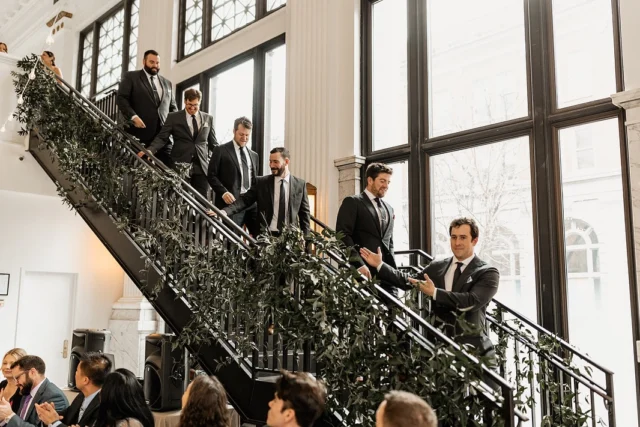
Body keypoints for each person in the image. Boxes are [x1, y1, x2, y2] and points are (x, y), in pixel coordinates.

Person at [360, 217, 499, 360]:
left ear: (474, 240)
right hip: (439, 351)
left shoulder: (487, 272)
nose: (457, 243)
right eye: (453, 237)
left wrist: (435, 293)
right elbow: (408, 281)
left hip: (475, 354)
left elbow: (471, 301)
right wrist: (380, 265)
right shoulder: (438, 266)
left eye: (463, 238)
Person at [335, 163, 400, 295]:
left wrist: (392, 270)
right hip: (363, 274)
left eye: (388, 182)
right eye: (382, 181)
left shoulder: (389, 208)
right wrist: (358, 265)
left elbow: (389, 242)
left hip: (387, 274)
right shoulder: (352, 202)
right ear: (370, 180)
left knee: (392, 313)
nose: (386, 186)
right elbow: (343, 235)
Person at [143, 88, 217, 197]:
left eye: (195, 105)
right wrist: (150, 150)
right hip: (180, 164)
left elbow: (213, 144)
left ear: (200, 102)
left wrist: (223, 159)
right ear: (185, 101)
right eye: (189, 104)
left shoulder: (208, 118)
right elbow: (162, 137)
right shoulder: (173, 117)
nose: (192, 108)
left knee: (202, 201)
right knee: (179, 199)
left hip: (201, 166)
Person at [221, 147, 310, 236]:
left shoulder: (300, 185)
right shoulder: (261, 182)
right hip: (265, 236)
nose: (271, 165)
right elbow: (244, 200)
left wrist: (307, 243)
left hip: (289, 238)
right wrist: (225, 211)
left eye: (275, 162)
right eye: (270, 161)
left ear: (286, 162)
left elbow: (304, 216)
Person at [117, 49, 178, 166]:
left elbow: (173, 108)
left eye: (157, 63)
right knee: (141, 170)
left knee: (169, 170)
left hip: (163, 138)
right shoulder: (131, 77)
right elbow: (121, 99)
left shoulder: (167, 83)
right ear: (144, 61)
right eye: (152, 62)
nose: (155, 65)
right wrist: (133, 117)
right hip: (140, 134)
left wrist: (172, 127)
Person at [207, 116, 259, 236]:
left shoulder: (254, 155)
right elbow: (211, 175)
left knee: (260, 239)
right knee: (232, 241)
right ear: (234, 131)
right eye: (241, 134)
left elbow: (255, 180)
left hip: (251, 204)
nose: (244, 138)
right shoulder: (220, 150)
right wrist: (223, 192)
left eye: (247, 135)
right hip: (231, 203)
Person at [35, 352, 112, 427]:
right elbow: (63, 418)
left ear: (85, 380)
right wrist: (48, 415)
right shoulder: (81, 396)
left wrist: (54, 422)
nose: (75, 374)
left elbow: (56, 423)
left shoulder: (104, 405)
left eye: (77, 371)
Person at [0, 355, 68, 427]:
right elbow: (20, 421)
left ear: (32, 372)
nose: (16, 383)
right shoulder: (26, 390)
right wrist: (4, 417)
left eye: (17, 378)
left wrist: (10, 416)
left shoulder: (54, 397)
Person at [0, 349, 27, 414]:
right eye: (5, 363)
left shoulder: (25, 390)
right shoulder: (2, 384)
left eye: (12, 364)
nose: (7, 367)